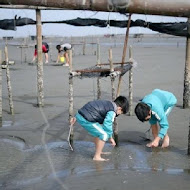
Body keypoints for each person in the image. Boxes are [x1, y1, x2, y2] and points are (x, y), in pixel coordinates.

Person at [70, 96, 129, 161]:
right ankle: (97, 156)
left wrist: (76, 116)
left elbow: (89, 106)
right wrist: (110, 137)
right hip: (87, 120)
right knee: (104, 135)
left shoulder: (107, 103)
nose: (119, 114)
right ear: (120, 109)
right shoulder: (112, 111)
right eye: (121, 113)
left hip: (80, 115)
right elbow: (108, 124)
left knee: (99, 133)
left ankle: (99, 151)